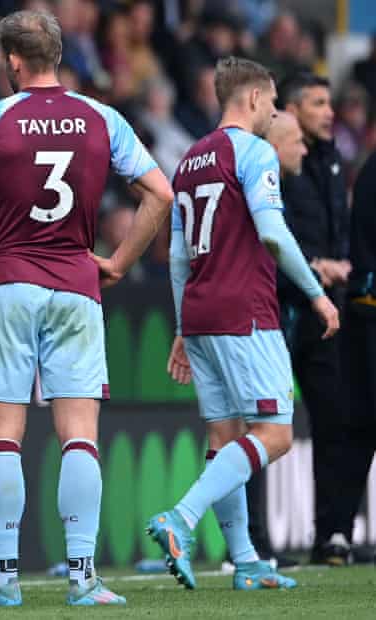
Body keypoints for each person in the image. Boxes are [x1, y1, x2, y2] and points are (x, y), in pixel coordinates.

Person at [0, 10, 174, 607]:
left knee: (2, 438)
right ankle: (83, 578)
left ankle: (3, 579)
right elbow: (161, 194)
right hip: (76, 284)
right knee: (79, 436)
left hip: (8, 283)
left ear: (12, 61)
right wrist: (118, 262)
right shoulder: (101, 116)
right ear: (57, 55)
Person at [149, 57, 339, 592]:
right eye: (273, 102)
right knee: (275, 435)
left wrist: (183, 326)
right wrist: (318, 294)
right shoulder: (254, 152)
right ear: (253, 98)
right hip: (244, 311)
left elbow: (179, 257)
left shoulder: (189, 160)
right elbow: (273, 233)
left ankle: (247, 561)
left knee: (224, 437)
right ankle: (180, 518)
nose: (274, 112)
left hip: (202, 313)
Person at [279, 72, 353, 565]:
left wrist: (339, 266)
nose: (330, 113)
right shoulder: (275, 161)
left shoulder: (330, 160)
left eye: (330, 103)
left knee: (334, 422)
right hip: (283, 306)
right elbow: (272, 231)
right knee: (263, 425)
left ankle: (332, 535)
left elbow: (337, 228)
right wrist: (313, 266)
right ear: (292, 109)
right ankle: (252, 543)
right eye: (318, 103)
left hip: (326, 313)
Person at [238, 110, 309, 568]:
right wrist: (316, 289)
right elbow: (272, 243)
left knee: (236, 432)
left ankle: (248, 547)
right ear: (276, 147)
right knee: (270, 433)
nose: (304, 148)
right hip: (252, 320)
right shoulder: (261, 182)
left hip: (233, 315)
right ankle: (190, 519)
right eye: (297, 140)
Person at [340, 148, 376, 564]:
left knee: (359, 427)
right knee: (360, 425)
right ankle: (337, 530)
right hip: (368, 309)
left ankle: (337, 531)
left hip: (363, 308)